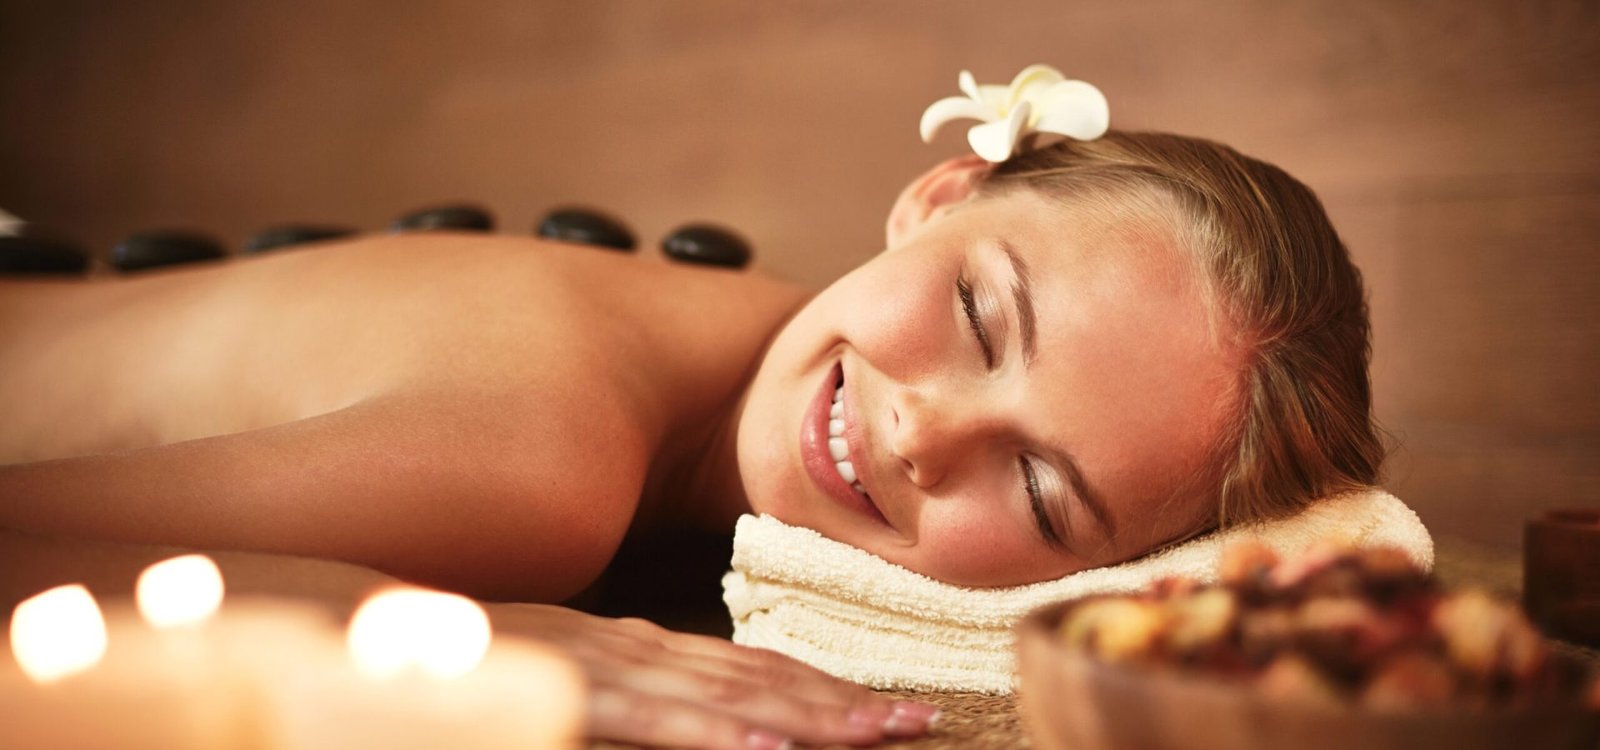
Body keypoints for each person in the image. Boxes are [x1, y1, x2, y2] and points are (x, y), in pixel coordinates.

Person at [0, 76, 1383, 748]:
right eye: (979, 317)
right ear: (943, 197)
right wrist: (484, 642)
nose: (922, 433)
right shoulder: (544, 464)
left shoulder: (729, 340)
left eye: (1038, 493)